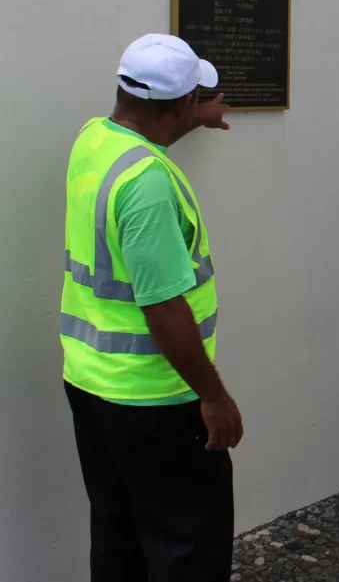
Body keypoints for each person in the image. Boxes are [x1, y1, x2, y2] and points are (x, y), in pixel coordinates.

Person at [60, 34, 244, 582]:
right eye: (198, 99)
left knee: (118, 534)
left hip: (91, 383)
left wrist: (195, 117)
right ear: (182, 104)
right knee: (188, 548)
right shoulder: (148, 185)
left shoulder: (95, 139)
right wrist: (214, 397)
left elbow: (146, 130)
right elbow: (163, 306)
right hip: (155, 399)